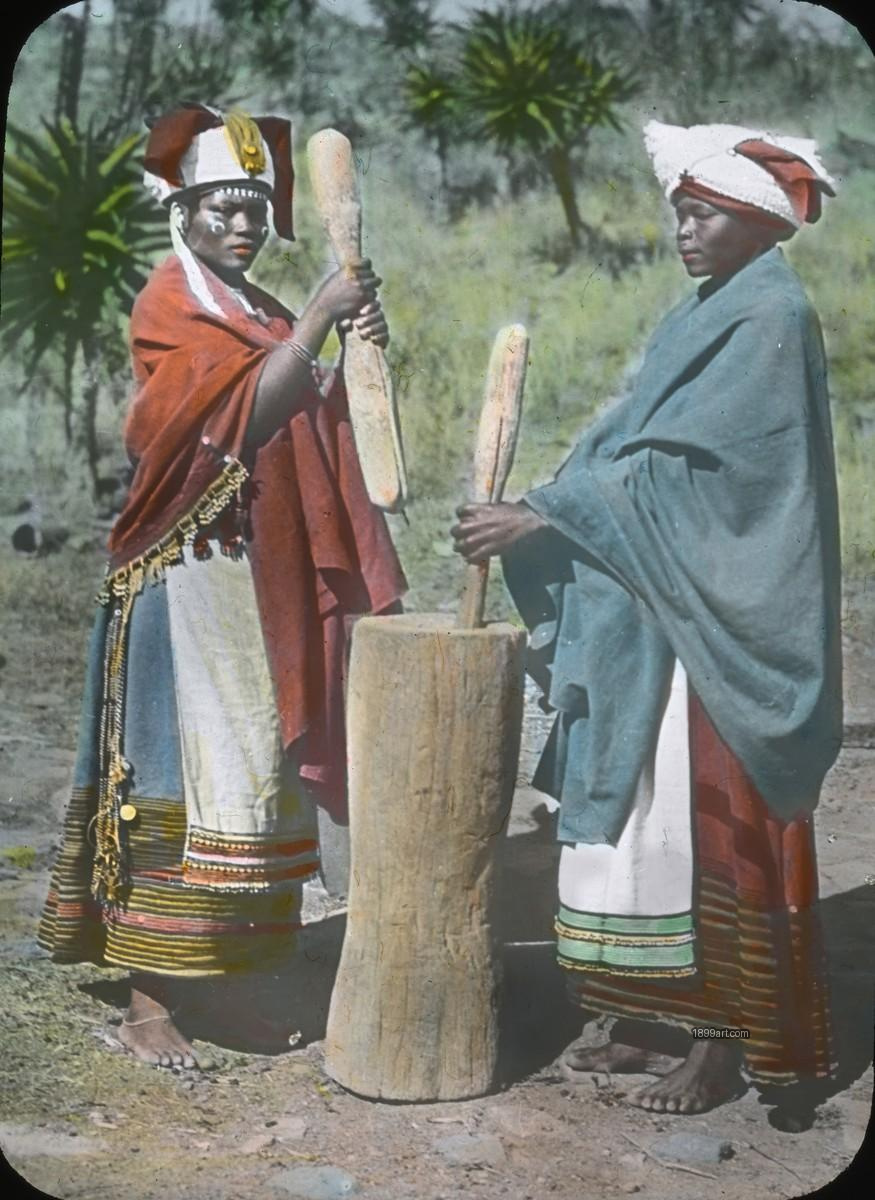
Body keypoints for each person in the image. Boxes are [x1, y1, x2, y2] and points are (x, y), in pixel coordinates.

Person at [453, 120, 841, 1115]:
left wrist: (545, 515)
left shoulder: (767, 315)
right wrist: (546, 504)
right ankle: (654, 1013)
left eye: (704, 214)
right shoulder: (709, 307)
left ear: (758, 223)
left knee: (704, 817)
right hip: (665, 597)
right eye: (679, 214)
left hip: (723, 610)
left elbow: (718, 480)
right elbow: (634, 445)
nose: (684, 231)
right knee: (647, 815)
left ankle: (722, 1043)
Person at [38, 104, 406, 1068]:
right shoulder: (171, 302)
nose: (243, 225)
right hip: (184, 580)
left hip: (256, 581)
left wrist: (349, 349)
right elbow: (236, 419)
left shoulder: (264, 309)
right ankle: (149, 1002)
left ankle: (226, 984)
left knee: (250, 780)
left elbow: (303, 412)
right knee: (178, 779)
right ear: (184, 212)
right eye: (223, 208)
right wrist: (318, 322)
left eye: (255, 210)